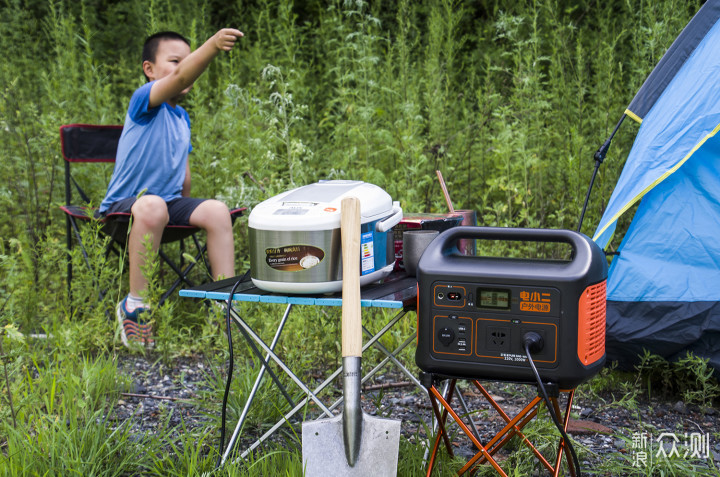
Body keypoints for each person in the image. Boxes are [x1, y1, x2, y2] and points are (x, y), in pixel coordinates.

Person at [100, 28, 244, 347]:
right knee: (153, 205)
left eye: (189, 58)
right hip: (125, 211)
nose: (187, 66)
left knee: (217, 211)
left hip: (166, 207)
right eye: (178, 60)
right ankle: (136, 305)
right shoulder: (144, 101)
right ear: (149, 69)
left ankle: (225, 306)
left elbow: (183, 173)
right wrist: (212, 46)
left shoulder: (182, 118)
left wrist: (190, 207)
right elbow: (178, 78)